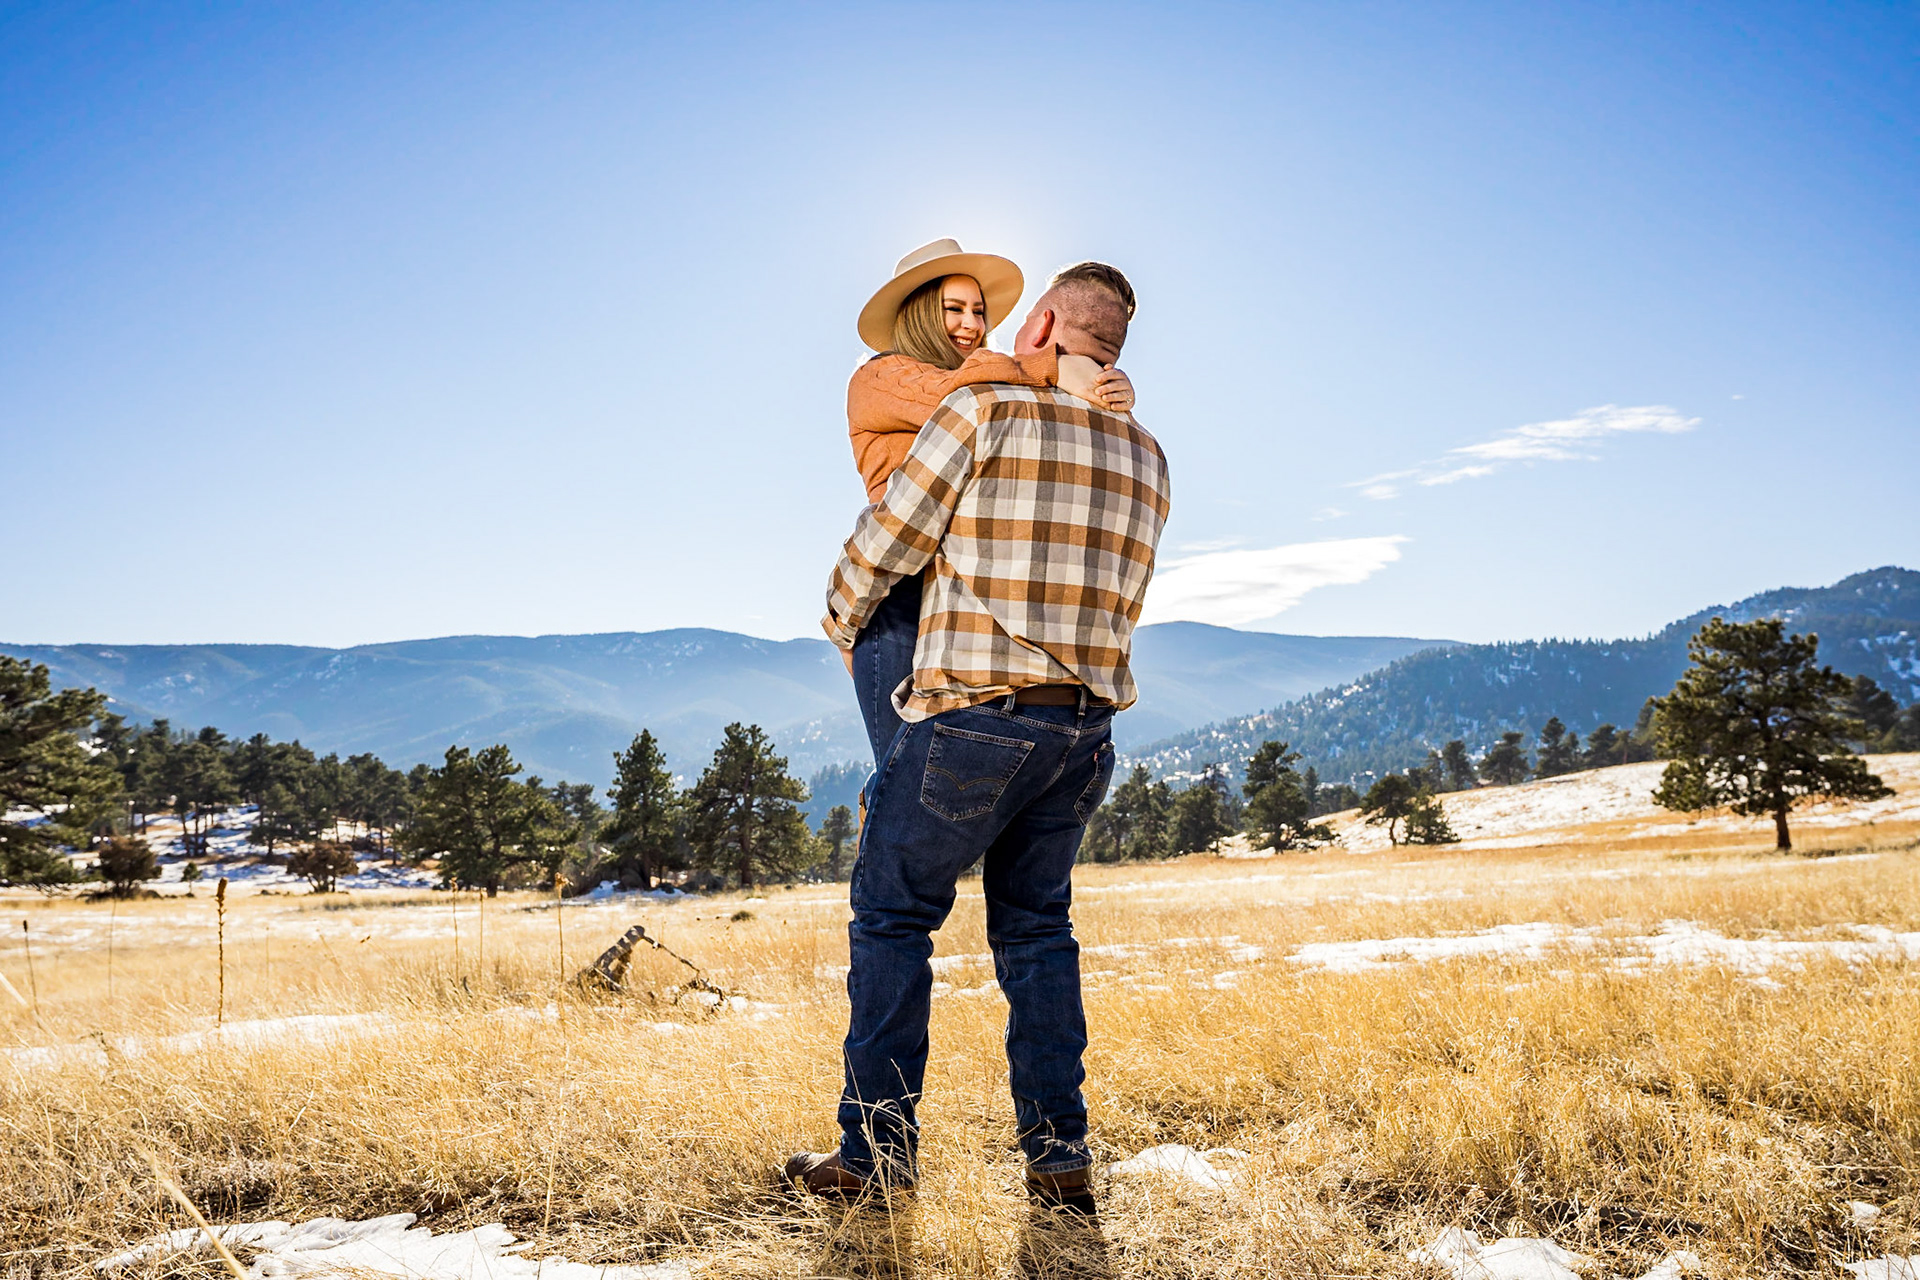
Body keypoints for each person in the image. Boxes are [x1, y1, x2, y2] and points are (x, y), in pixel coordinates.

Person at [787, 262, 1170, 1216]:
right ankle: (1060, 1159)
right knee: (1038, 933)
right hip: (1082, 732)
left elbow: (889, 543)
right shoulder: (1147, 453)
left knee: (892, 920)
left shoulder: (983, 415)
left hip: (972, 716)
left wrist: (840, 620)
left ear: (1037, 326)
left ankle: (875, 1159)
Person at [843, 238, 1135, 764]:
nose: (971, 324)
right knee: (900, 775)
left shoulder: (996, 378)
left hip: (959, 596)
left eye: (977, 311)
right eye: (953, 309)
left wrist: (1105, 387)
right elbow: (958, 396)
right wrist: (1057, 368)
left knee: (940, 788)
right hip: (901, 596)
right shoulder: (879, 376)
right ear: (919, 314)